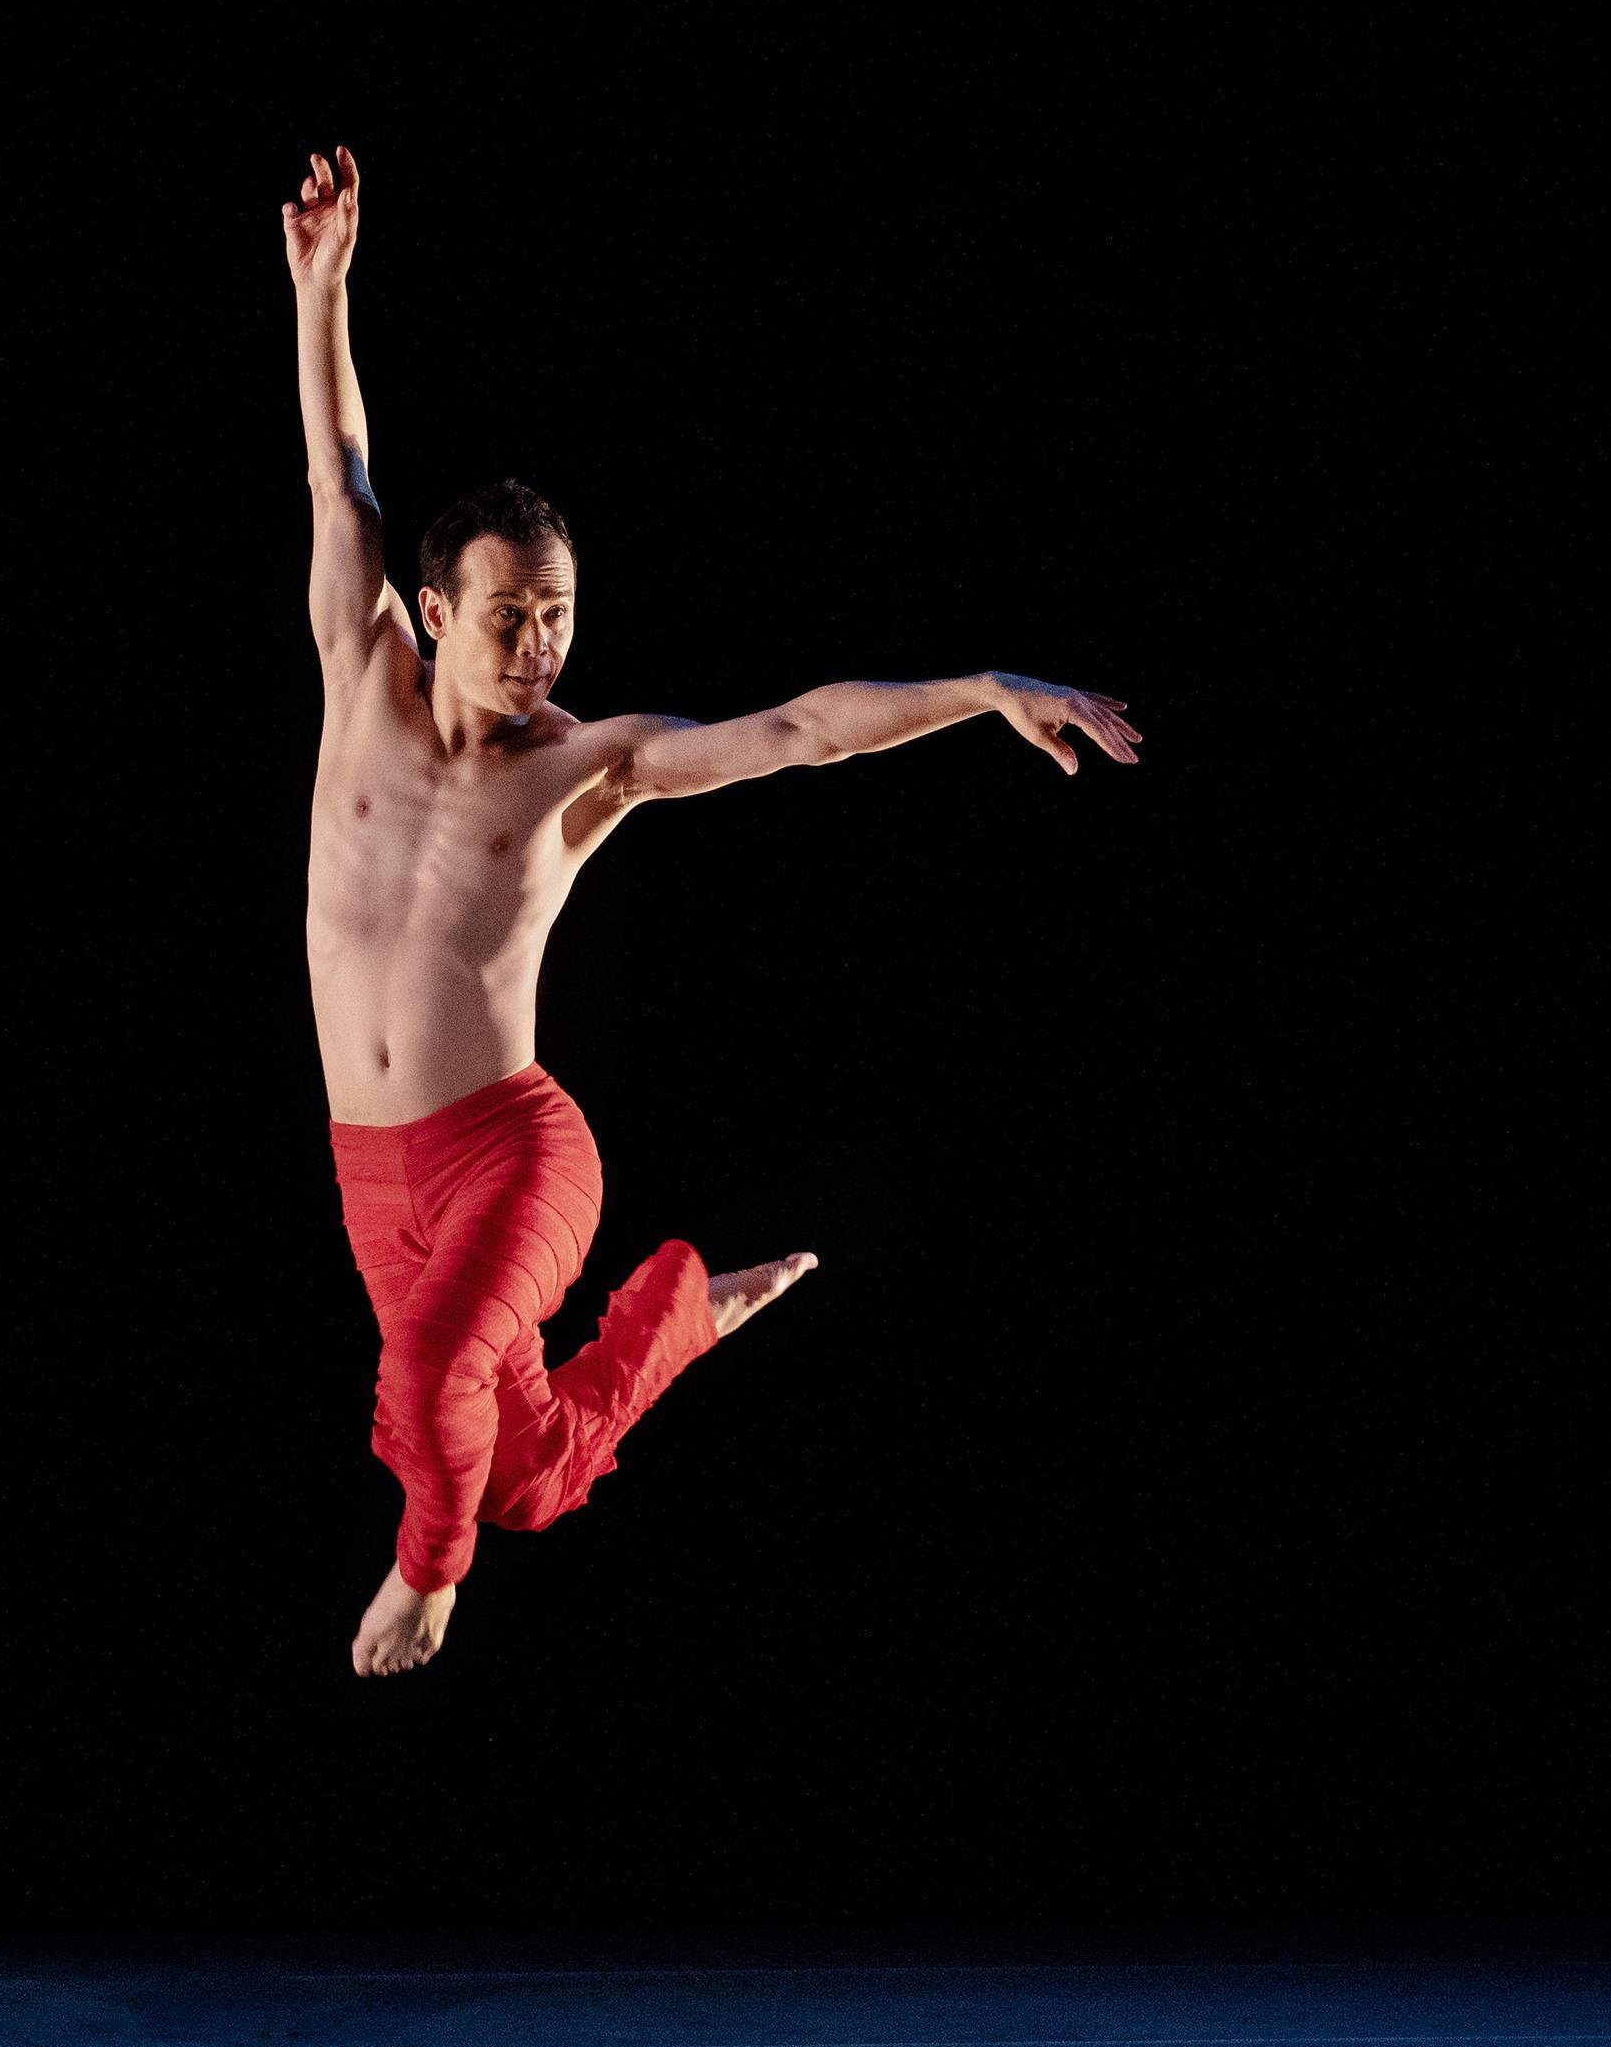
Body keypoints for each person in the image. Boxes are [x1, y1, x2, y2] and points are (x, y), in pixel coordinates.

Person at [286, 146, 1142, 1680]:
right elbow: (338, 468)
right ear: (433, 616)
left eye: (559, 615)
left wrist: (976, 691)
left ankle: (431, 1577)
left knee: (430, 1396)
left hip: (515, 1154)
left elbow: (798, 730)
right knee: (528, 1468)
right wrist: (324, 288)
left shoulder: (585, 771)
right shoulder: (360, 677)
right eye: (507, 617)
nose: (540, 646)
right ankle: (683, 1324)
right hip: (373, 1181)